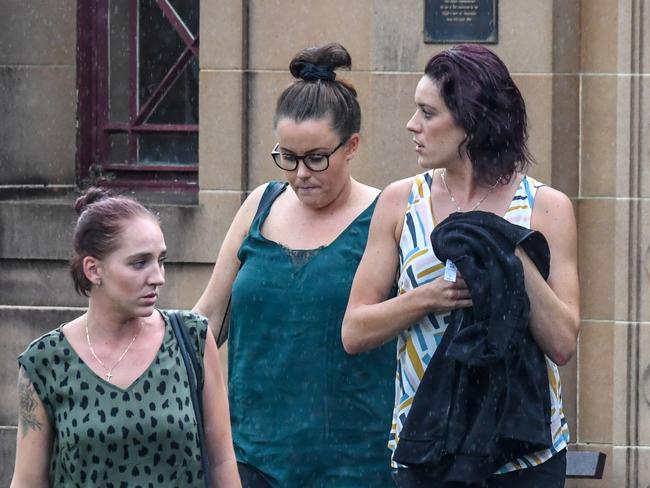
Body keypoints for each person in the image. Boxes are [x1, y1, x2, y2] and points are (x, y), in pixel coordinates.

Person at [342, 44, 579, 487]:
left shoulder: (546, 207)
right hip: (424, 446)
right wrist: (428, 298)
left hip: (523, 455)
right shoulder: (399, 201)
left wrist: (504, 248)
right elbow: (354, 331)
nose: (413, 125)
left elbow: (563, 343)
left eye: (428, 113)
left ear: (471, 121)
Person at [194, 42, 395, 487]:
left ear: (352, 146)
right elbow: (207, 319)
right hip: (252, 458)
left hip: (355, 465)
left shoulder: (386, 216)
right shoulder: (258, 206)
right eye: (287, 157)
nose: (300, 173)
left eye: (316, 158)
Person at [11, 188, 241, 487]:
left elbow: (221, 460)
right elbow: (28, 481)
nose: (158, 276)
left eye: (161, 260)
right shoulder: (44, 362)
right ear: (94, 269)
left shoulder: (192, 338)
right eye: (140, 263)